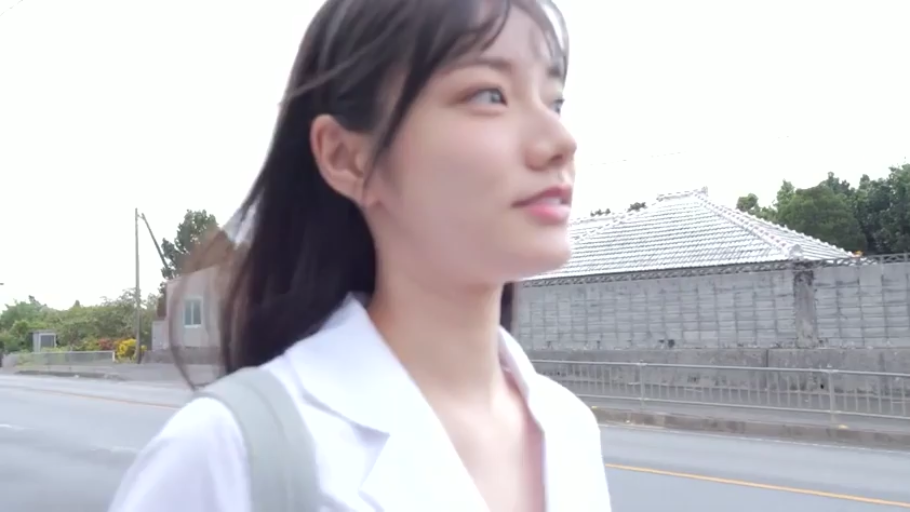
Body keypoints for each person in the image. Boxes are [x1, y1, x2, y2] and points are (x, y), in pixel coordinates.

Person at [108, 0, 610, 510]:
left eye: (554, 103)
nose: (561, 142)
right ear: (347, 157)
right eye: (489, 95)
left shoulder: (570, 430)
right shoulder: (228, 454)